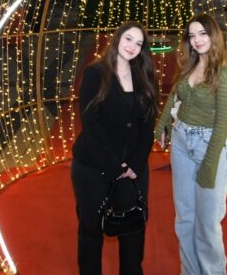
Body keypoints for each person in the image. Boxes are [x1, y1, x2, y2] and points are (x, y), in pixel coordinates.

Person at [71, 22, 158, 275]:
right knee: (91, 230)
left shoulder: (144, 75)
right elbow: (91, 124)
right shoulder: (95, 73)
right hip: (94, 166)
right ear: (117, 38)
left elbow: (147, 126)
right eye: (128, 39)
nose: (132, 46)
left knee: (133, 229)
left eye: (139, 43)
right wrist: (114, 167)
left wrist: (134, 165)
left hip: (132, 168)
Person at [155, 13, 227, 275]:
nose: (197, 40)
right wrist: (163, 123)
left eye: (202, 33)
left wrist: (208, 167)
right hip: (181, 142)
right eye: (192, 35)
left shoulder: (224, 76)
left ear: (214, 36)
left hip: (209, 147)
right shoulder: (190, 64)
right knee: (185, 218)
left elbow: (222, 127)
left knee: (207, 225)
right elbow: (176, 94)